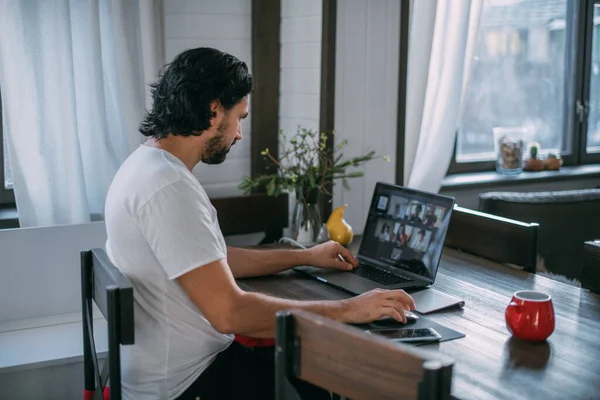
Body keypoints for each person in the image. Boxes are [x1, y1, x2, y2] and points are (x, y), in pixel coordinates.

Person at [104, 48, 415, 400]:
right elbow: (229, 312)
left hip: (168, 370)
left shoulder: (145, 165)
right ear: (214, 108)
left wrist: (305, 256)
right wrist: (350, 309)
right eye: (241, 117)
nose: (238, 134)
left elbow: (213, 258)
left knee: (311, 371)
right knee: (329, 376)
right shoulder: (168, 186)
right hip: (186, 384)